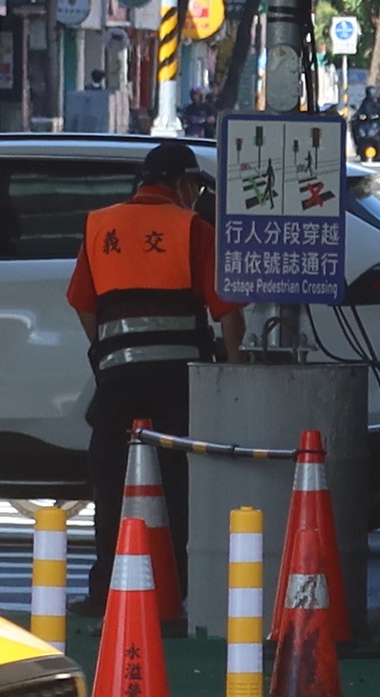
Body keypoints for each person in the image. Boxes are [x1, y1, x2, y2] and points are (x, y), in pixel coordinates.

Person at [66, 141, 247, 618]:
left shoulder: (100, 225)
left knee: (110, 480)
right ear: (182, 184)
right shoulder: (192, 229)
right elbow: (228, 311)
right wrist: (235, 365)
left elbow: (83, 303)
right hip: (177, 383)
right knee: (177, 482)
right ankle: (176, 587)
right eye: (195, 187)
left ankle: (105, 590)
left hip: (117, 379)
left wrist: (108, 350)